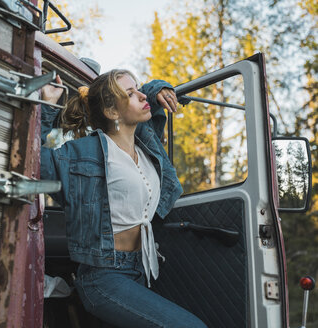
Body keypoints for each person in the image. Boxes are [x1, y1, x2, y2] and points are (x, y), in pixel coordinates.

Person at [40, 69, 207, 328]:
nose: (141, 96)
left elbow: (151, 95)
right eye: (130, 94)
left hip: (142, 267)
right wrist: (47, 108)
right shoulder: (83, 154)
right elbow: (34, 162)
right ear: (111, 112)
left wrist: (158, 88)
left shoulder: (147, 145)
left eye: (138, 89)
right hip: (103, 276)